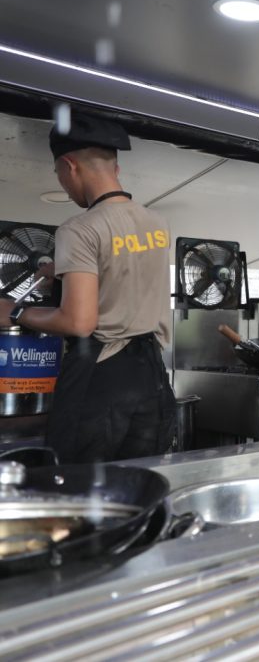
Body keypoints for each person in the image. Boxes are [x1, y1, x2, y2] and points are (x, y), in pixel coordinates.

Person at [0, 112, 175, 463]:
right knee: (139, 479)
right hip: (153, 380)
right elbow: (125, 271)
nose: (64, 185)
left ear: (69, 166)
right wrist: (67, 272)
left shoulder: (79, 229)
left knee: (79, 485)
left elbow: (79, 322)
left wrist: (15, 312)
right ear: (116, 168)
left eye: (59, 175)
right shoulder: (157, 223)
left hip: (101, 379)